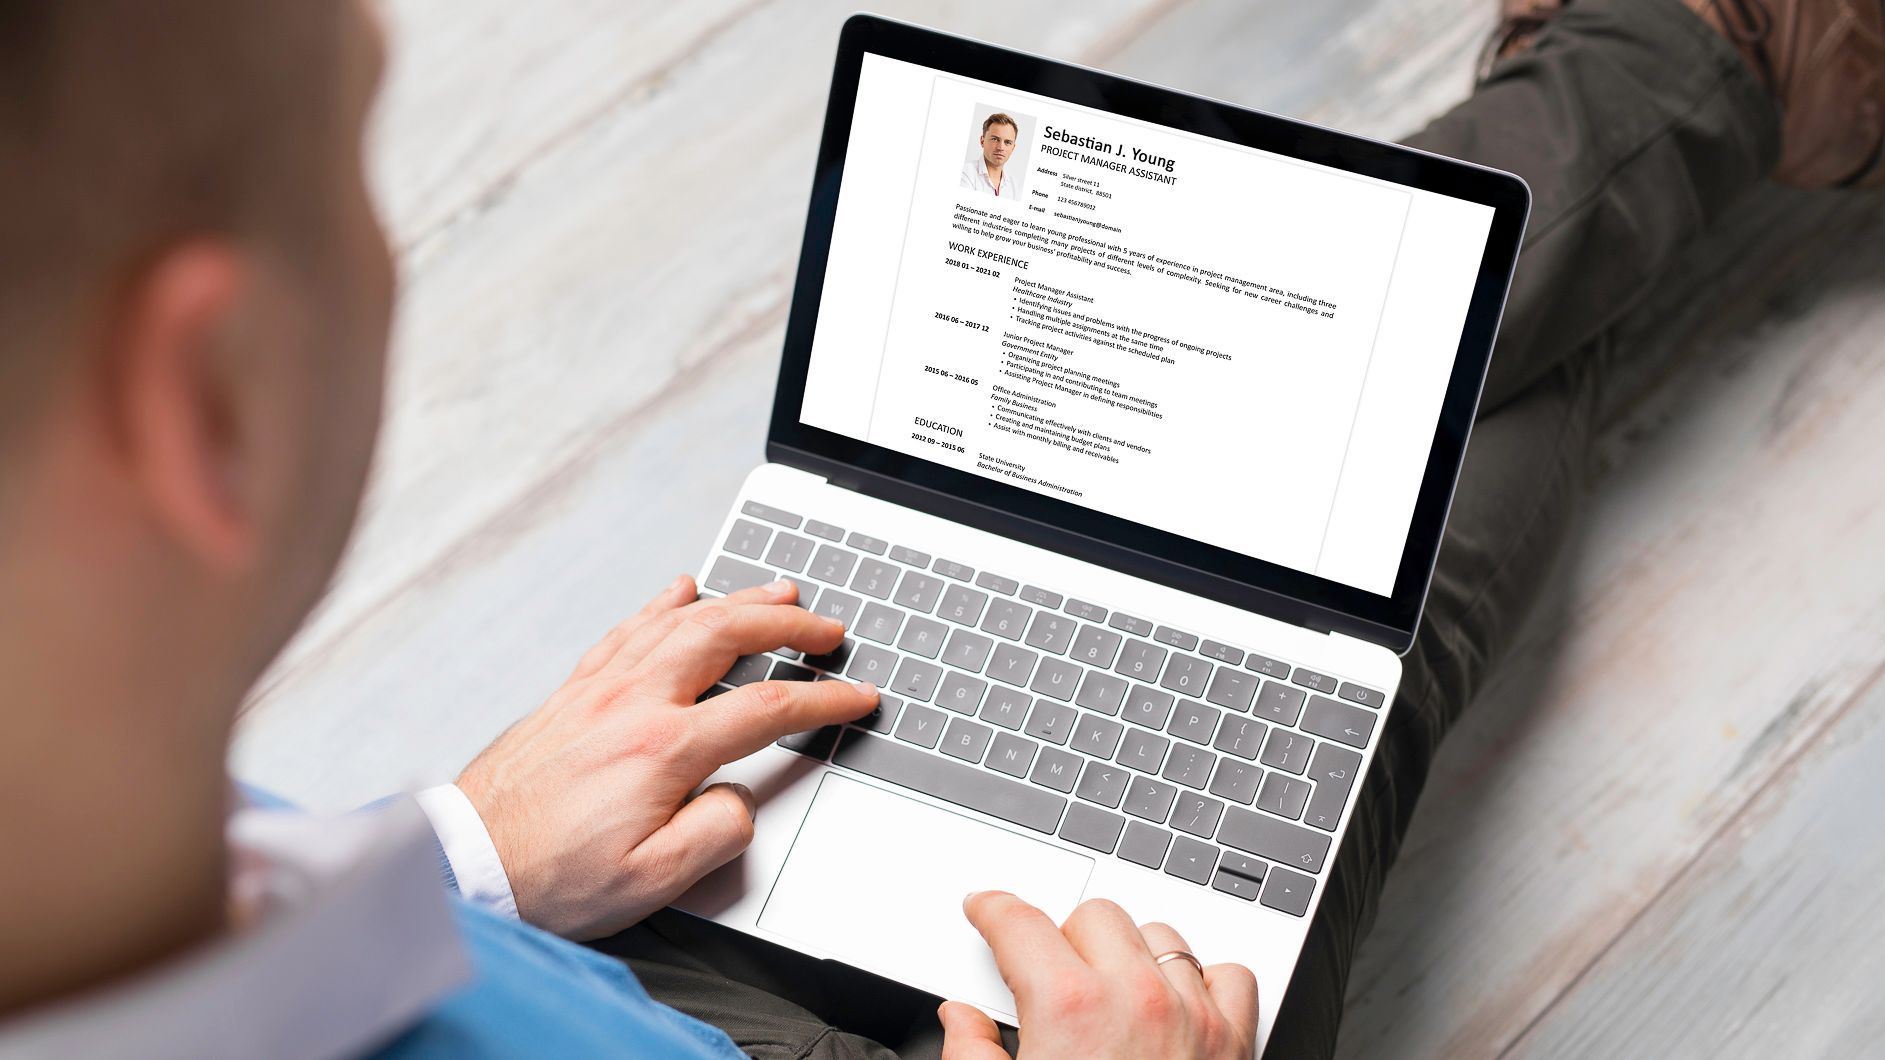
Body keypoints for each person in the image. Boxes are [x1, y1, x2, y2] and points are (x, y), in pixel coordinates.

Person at [0, 0, 1876, 1057]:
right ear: (209, 402)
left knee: (1301, 577)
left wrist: (456, 858)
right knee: (1361, 623)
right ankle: (1701, 57)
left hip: (583, 976)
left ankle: (1698, 67)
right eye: (358, 146)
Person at [961, 112, 1024, 198]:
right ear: (982, 141)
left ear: (1013, 147)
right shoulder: (965, 174)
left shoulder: (1016, 187)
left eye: (1007, 142)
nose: (1001, 147)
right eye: (995, 139)